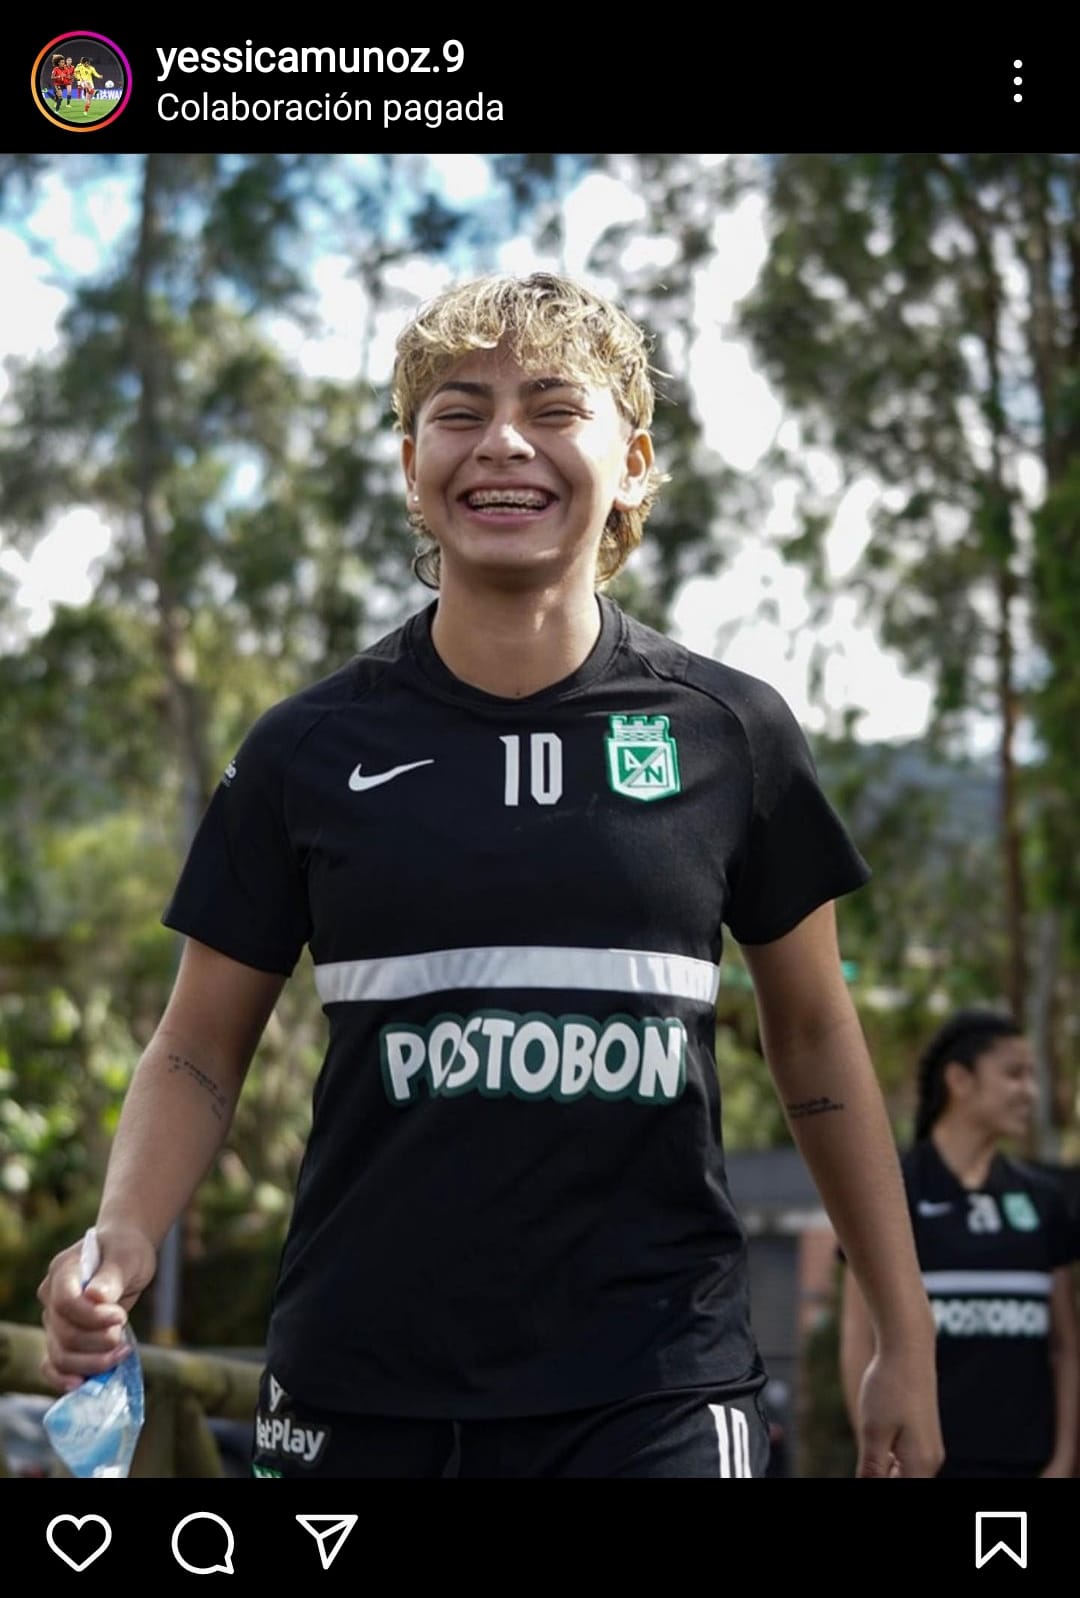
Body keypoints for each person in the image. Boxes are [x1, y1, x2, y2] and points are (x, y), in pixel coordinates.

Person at [38, 271, 943, 1479]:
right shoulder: (307, 747)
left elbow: (819, 1036)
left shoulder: (732, 732)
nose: (503, 442)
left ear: (634, 464)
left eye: (554, 408)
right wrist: (121, 1230)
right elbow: (199, 1044)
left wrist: (903, 1328)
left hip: (657, 1387)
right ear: (412, 465)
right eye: (459, 413)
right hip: (359, 1386)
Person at [840, 1009, 1080, 1478]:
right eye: (1014, 1074)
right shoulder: (891, 1193)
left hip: (1027, 1465)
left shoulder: (1044, 1200)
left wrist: (1063, 1460)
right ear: (959, 1079)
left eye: (1032, 1076)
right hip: (924, 1465)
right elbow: (858, 1339)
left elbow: (1065, 1347)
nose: (1030, 1091)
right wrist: (880, 1459)